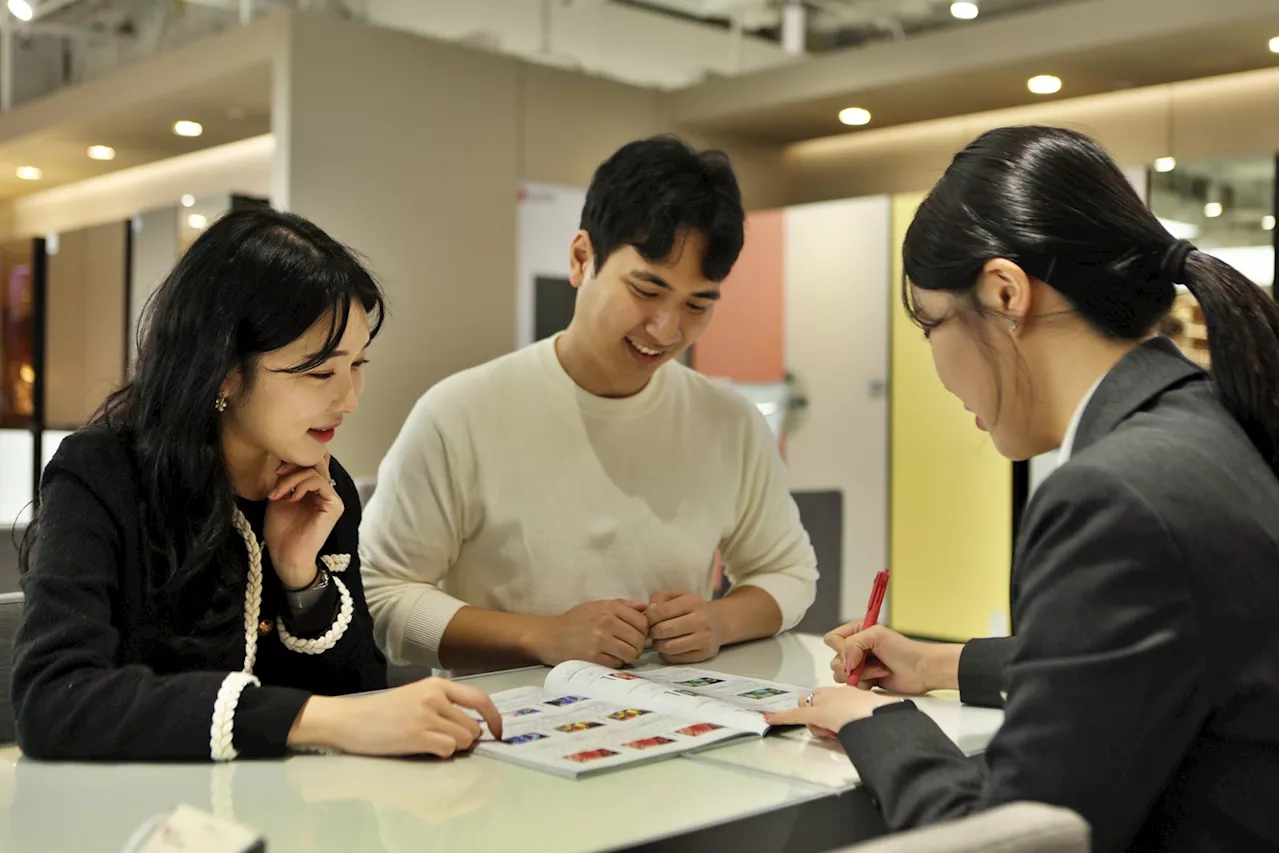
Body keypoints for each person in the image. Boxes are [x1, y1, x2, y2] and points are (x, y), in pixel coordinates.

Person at [768, 126, 1280, 852]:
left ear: (1006, 292)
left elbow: (1009, 835)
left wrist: (871, 723)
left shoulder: (1113, 496)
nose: (939, 371)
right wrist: (942, 662)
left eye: (930, 325)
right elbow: (1155, 652)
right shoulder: (1204, 422)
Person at [13, 208, 501, 762]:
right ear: (221, 369)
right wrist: (310, 718)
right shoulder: (103, 472)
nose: (349, 399)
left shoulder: (318, 483)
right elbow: (52, 700)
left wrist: (303, 581)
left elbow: (359, 694)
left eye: (357, 364)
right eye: (319, 372)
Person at [360, 135, 817, 672]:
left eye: (697, 304)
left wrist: (719, 621)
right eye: (646, 291)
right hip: (505, 729)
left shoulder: (728, 423)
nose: (666, 329)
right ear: (582, 258)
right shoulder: (459, 413)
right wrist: (542, 637)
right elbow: (381, 596)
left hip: (676, 719)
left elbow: (788, 573)